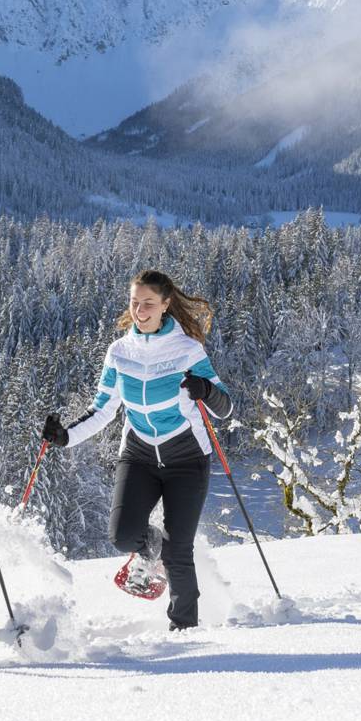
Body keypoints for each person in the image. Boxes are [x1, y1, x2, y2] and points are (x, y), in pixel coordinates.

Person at [39, 269, 232, 630]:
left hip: (186, 458)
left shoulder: (188, 350)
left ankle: (184, 629)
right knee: (122, 535)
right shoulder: (119, 352)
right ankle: (151, 547)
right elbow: (102, 409)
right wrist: (64, 437)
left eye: (148, 303)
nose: (140, 310)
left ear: (165, 305)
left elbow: (226, 408)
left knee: (179, 551)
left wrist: (205, 390)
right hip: (139, 454)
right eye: (134, 303)